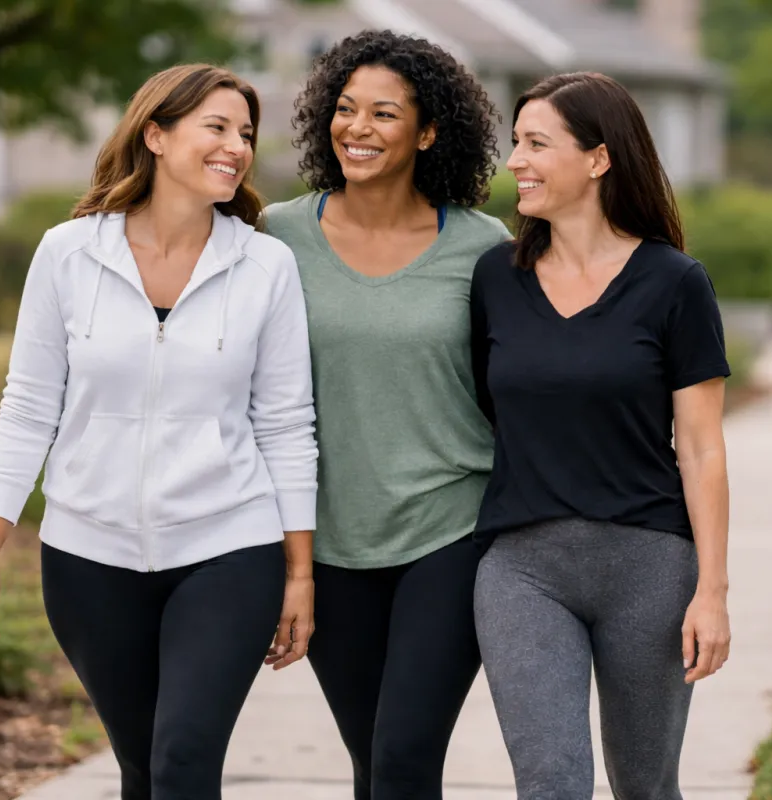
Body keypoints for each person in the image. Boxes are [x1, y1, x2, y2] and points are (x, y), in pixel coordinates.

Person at [0, 64, 318, 800]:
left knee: (184, 761)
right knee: (143, 768)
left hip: (227, 546)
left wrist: (299, 572)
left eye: (244, 133)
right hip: (89, 553)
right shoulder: (68, 253)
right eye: (215, 127)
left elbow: (285, 423)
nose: (236, 147)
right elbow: (27, 407)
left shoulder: (264, 264)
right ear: (156, 134)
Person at [469, 72, 733, 800]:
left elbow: (703, 448)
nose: (514, 159)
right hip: (523, 569)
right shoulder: (495, 278)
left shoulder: (675, 283)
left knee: (646, 787)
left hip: (649, 568)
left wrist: (711, 590)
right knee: (550, 782)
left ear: (598, 158)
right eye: (513, 142)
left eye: (535, 143)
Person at [261, 29, 510, 800]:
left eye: (384, 114)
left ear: (428, 132)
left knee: (404, 758)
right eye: (343, 109)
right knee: (373, 759)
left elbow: (519, 384)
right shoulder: (275, 236)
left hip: (451, 528)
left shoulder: (482, 247)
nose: (357, 128)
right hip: (331, 540)